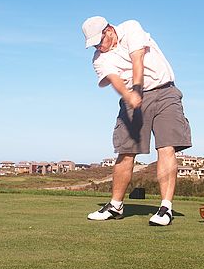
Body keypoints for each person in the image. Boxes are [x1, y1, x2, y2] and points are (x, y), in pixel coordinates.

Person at [81, 16, 192, 226]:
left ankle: (165, 208)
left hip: (165, 91)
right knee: (126, 150)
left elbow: (137, 58)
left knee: (166, 147)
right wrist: (129, 94)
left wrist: (138, 88)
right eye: (94, 44)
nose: (98, 46)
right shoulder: (99, 58)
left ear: (110, 30)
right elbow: (113, 79)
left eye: (99, 41)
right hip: (131, 97)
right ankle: (116, 206)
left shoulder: (131, 27)